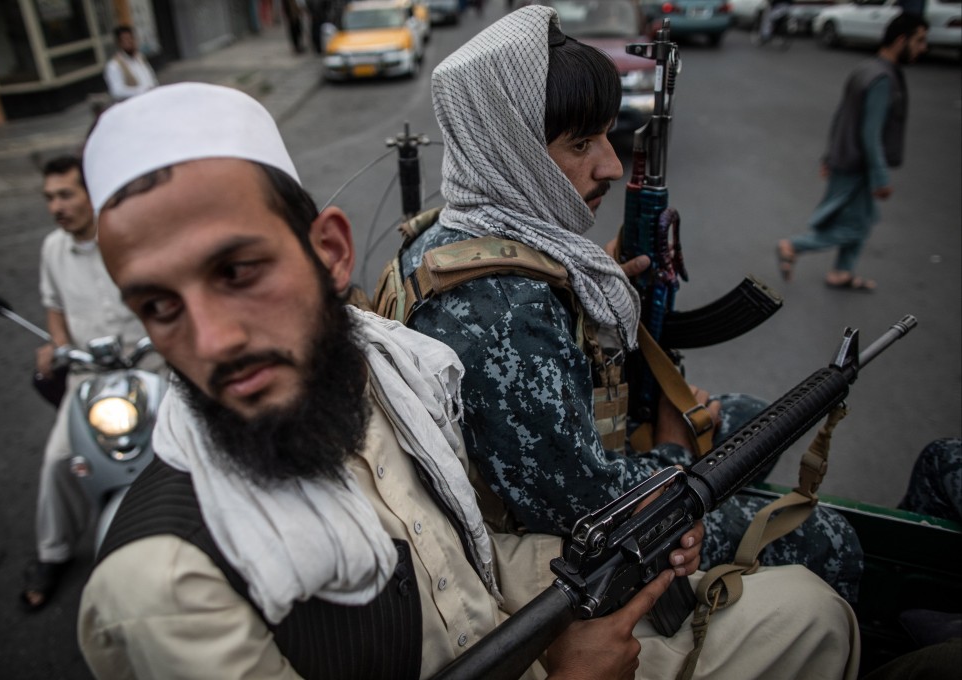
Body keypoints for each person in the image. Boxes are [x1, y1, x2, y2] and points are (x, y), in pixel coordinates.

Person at [77, 82, 859, 679]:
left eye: (239, 271)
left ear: (331, 253)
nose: (212, 341)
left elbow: (460, 560)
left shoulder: (378, 378)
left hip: (526, 639)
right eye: (158, 305)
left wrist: (637, 553)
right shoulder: (165, 586)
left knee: (812, 615)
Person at [396, 5, 864, 601]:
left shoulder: (446, 230)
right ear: (509, 148)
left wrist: (580, 280)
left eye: (608, 136)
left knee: (749, 418)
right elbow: (595, 507)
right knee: (830, 538)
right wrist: (673, 441)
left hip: (567, 472)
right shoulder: (507, 309)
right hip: (576, 547)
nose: (611, 165)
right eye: (581, 143)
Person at [22, 155, 153, 610]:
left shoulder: (129, 235)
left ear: (92, 194)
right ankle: (52, 553)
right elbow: (53, 306)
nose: (56, 206)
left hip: (149, 367)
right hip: (88, 378)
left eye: (65, 194)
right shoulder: (51, 249)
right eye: (49, 197)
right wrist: (58, 346)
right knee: (59, 460)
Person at [776, 13, 929, 292]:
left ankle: (842, 272)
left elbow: (842, 116)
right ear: (901, 39)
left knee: (862, 219)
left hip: (845, 159)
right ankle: (793, 246)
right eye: (919, 41)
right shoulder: (882, 78)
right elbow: (870, 134)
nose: (923, 48)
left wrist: (828, 157)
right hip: (857, 165)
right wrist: (881, 177)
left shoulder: (866, 69)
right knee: (854, 227)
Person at [103, 25, 159, 103]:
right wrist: (142, 90)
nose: (130, 42)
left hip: (151, 100)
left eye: (131, 38)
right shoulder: (114, 65)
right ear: (119, 43)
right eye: (126, 40)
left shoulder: (140, 58)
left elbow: (151, 77)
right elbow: (117, 91)